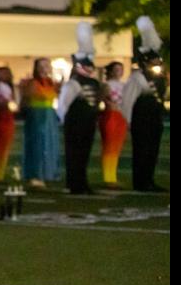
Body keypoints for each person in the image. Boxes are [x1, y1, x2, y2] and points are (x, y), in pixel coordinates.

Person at [120, 16, 167, 192]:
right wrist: (128, 121)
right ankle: (140, 182)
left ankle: (149, 180)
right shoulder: (137, 78)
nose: (157, 65)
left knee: (152, 152)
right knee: (141, 152)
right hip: (141, 120)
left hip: (154, 119)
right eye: (154, 62)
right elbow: (128, 101)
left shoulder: (159, 78)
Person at [57, 22, 102, 196]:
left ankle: (82, 182)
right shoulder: (74, 83)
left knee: (84, 154)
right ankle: (74, 183)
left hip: (88, 121)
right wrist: (63, 120)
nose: (90, 68)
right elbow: (63, 104)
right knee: (74, 154)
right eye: (86, 65)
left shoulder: (92, 82)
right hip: (75, 122)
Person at [20, 57, 61, 187]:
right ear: (36, 68)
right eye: (41, 66)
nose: (44, 68)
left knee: (49, 144)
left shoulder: (50, 82)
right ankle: (35, 174)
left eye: (47, 65)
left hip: (49, 114)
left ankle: (48, 173)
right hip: (37, 114)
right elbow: (26, 99)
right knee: (37, 144)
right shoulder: (33, 82)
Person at [98, 61, 127, 187]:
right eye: (116, 69)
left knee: (117, 148)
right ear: (110, 71)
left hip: (122, 116)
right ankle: (108, 178)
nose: (118, 72)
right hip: (110, 115)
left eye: (120, 69)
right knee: (109, 147)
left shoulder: (124, 85)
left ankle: (113, 176)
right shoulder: (106, 85)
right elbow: (99, 98)